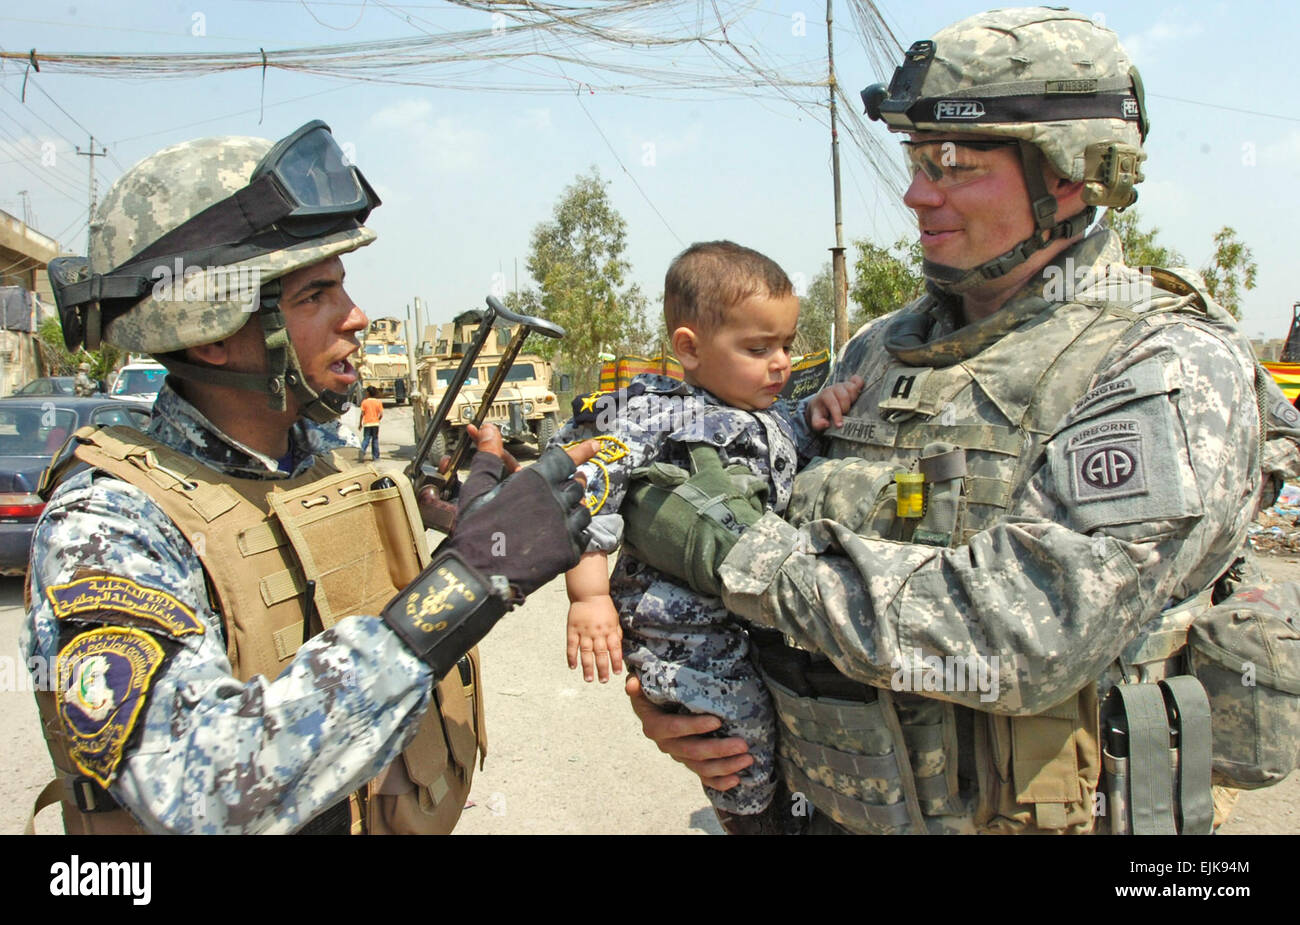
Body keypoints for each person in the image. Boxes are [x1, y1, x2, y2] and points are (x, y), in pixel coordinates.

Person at [623, 7, 1300, 834]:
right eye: (915, 161)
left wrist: (735, 556)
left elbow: (1024, 632)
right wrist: (685, 693)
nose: (915, 193)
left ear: (1071, 176)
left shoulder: (1164, 364)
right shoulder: (879, 349)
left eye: (952, 165)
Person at [23, 121, 595, 835]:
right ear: (212, 329)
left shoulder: (316, 456)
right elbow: (196, 782)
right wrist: (465, 583)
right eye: (315, 294)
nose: (356, 318)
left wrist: (466, 511)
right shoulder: (111, 522)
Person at [553, 241, 861, 831]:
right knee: (735, 745)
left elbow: (799, 435)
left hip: (744, 615)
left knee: (770, 734)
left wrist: (825, 406)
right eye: (757, 348)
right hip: (681, 627)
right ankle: (749, 820)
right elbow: (589, 494)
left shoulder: (768, 415)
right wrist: (587, 597)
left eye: (787, 346)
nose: (781, 364)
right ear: (689, 348)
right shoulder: (655, 414)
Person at [359, 385, 383, 461]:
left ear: (368, 393)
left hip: (367, 423)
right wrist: (378, 420)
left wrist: (360, 423)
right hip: (375, 423)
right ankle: (376, 457)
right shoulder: (378, 402)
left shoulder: (364, 402)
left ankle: (362, 450)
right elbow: (381, 414)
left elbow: (362, 414)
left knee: (366, 438)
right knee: (375, 439)